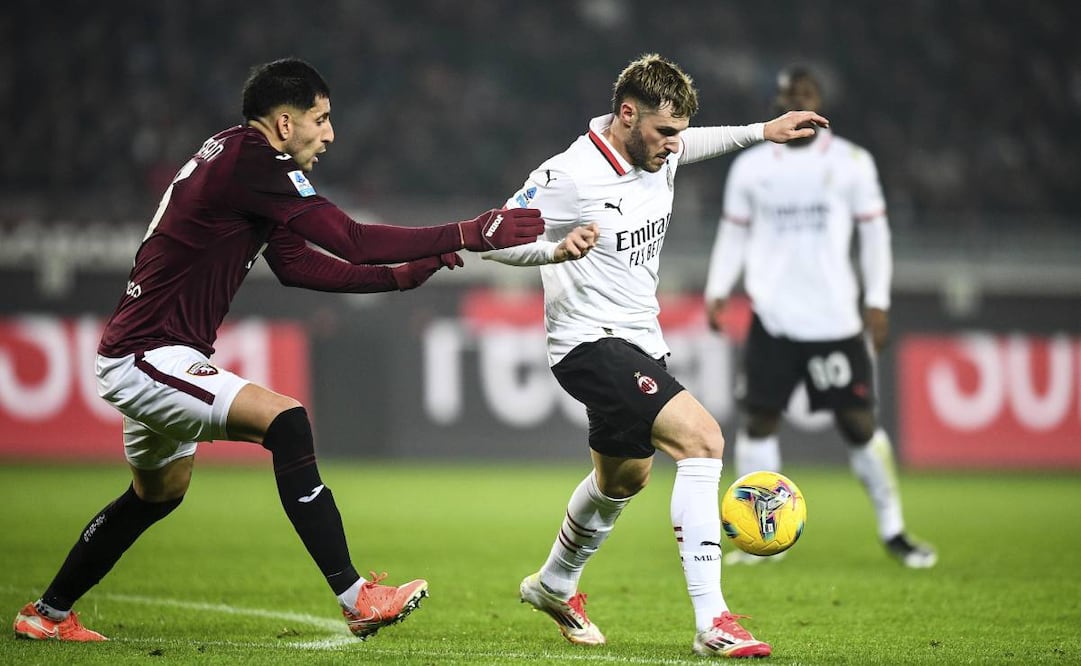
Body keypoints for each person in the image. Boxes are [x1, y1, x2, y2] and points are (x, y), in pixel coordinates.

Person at [11, 57, 558, 643]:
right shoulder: (257, 161)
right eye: (321, 120)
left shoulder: (240, 159)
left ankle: (45, 615)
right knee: (288, 422)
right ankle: (356, 597)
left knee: (157, 495)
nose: (329, 134)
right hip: (147, 355)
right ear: (283, 121)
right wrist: (469, 231)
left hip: (154, 353)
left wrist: (397, 278)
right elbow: (350, 238)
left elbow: (296, 266)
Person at [481, 53, 828, 659]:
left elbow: (697, 143)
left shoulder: (657, 154)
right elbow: (495, 237)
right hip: (588, 342)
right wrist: (554, 253)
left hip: (640, 341)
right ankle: (713, 620)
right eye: (665, 132)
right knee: (702, 440)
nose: (675, 146)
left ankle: (554, 584)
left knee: (622, 479)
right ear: (626, 114)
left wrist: (760, 132)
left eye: (679, 133)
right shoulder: (570, 174)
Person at [703, 66, 937, 569]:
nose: (796, 101)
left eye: (804, 95)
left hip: (835, 318)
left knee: (858, 425)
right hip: (773, 315)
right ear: (776, 104)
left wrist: (877, 300)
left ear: (820, 102)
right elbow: (734, 234)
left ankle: (894, 529)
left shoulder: (853, 163)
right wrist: (718, 288)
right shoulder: (751, 168)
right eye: (788, 95)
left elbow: (875, 236)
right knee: (759, 420)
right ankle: (764, 542)